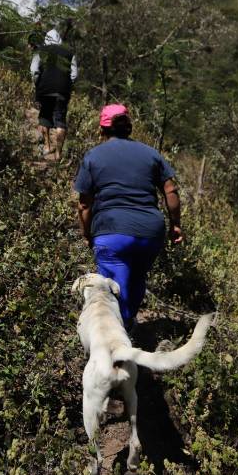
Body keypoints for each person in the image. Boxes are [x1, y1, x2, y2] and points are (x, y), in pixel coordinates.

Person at [74, 104, 182, 330]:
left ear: (101, 129)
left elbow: (84, 204)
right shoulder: (151, 153)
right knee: (137, 278)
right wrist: (176, 225)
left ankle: (119, 332)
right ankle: (129, 322)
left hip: (111, 231)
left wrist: (86, 234)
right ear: (128, 127)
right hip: (150, 232)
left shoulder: (94, 156)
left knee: (113, 287)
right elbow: (170, 190)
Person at [30, 28, 78, 160]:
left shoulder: (40, 51)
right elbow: (74, 75)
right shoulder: (69, 53)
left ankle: (47, 146)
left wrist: (38, 83)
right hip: (62, 91)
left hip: (45, 89)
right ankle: (58, 153)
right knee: (60, 120)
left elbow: (34, 70)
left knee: (44, 117)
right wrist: (67, 84)